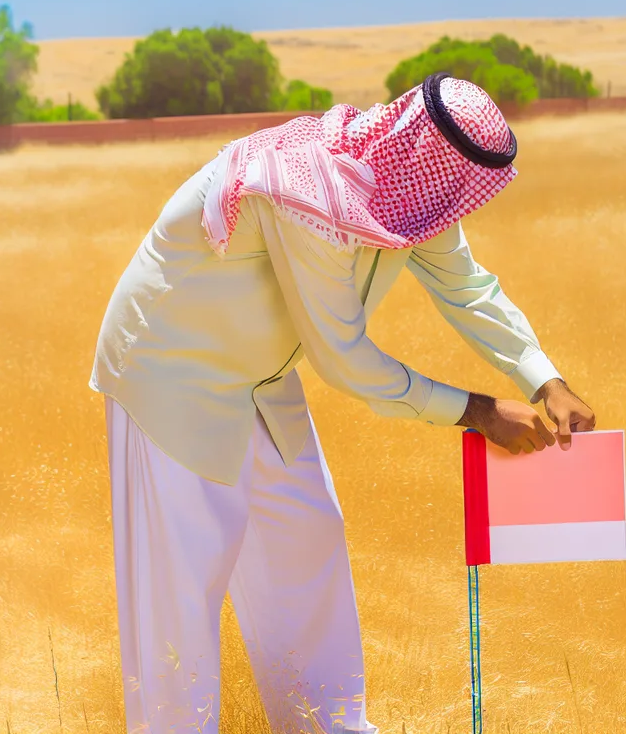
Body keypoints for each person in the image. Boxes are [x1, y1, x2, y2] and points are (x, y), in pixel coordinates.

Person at [89, 73, 596, 733]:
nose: (459, 204)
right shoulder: (307, 192)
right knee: (179, 600)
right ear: (428, 157)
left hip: (261, 384)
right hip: (170, 379)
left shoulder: (413, 189)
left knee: (309, 540)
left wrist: (542, 379)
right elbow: (343, 358)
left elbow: (467, 287)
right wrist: (478, 411)